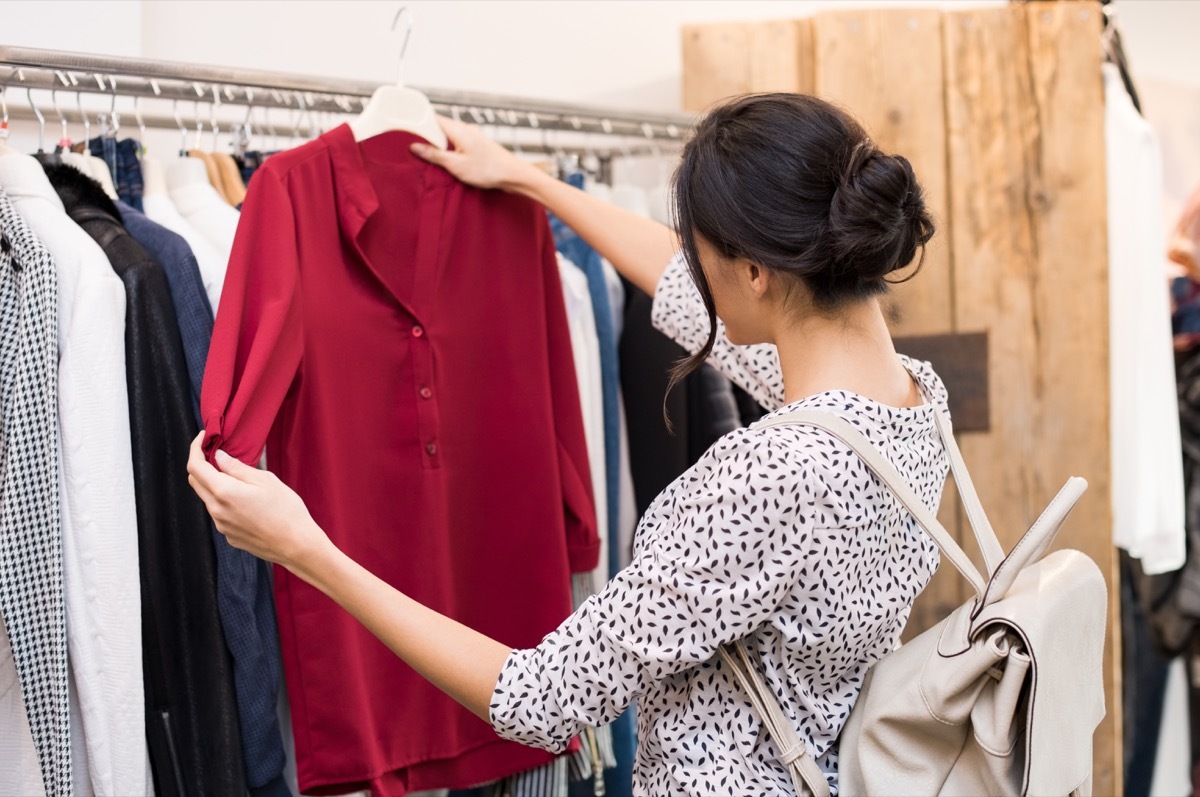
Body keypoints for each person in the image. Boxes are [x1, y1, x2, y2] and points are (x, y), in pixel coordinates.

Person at [187, 92, 946, 795]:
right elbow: (676, 282)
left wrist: (306, 549)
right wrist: (529, 182)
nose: (689, 272)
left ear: (755, 273)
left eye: (703, 252)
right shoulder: (909, 400)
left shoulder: (774, 474)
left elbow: (540, 699)